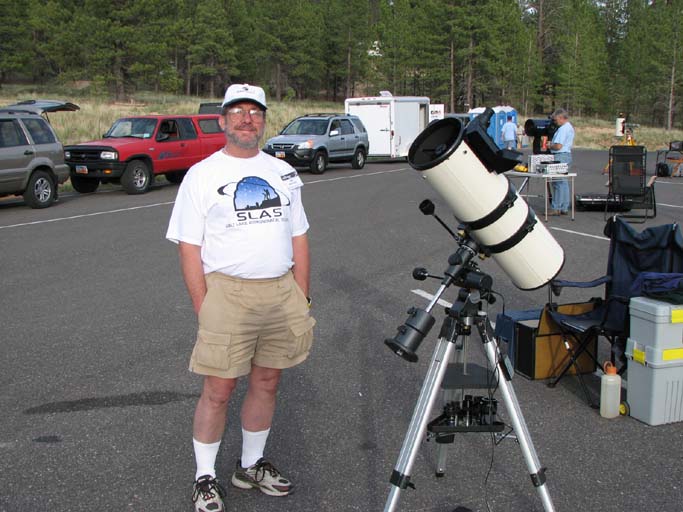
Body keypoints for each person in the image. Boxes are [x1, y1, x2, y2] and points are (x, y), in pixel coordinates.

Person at [166, 83, 315, 512]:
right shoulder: (202, 175)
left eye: (255, 111)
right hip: (226, 293)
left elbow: (299, 236)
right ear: (222, 120)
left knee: (268, 381)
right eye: (238, 111)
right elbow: (189, 247)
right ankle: (205, 477)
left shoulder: (283, 172)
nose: (247, 118)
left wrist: (301, 297)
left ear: (263, 120)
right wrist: (203, 305)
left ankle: (249, 466)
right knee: (218, 388)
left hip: (280, 292)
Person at [548, 108, 575, 216]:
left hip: (560, 156)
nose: (555, 122)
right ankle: (564, 206)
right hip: (566, 155)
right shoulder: (569, 127)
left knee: (557, 182)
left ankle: (556, 207)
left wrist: (550, 145)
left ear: (560, 118)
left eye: (555, 120)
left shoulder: (563, 129)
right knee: (563, 182)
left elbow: (558, 146)